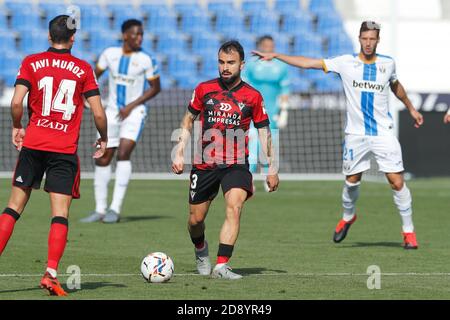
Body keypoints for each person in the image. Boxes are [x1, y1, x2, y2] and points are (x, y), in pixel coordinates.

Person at [253, 21, 423, 249]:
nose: (368, 43)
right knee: (352, 181)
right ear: (360, 38)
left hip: (383, 133)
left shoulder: (388, 64)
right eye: (365, 39)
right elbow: (309, 63)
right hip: (355, 135)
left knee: (396, 181)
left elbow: (396, 86)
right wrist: (276, 55)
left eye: (372, 39)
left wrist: (411, 108)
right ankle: (348, 215)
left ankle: (408, 232)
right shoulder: (346, 62)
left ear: (378, 40)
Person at [0, 15, 108, 296]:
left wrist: (16, 126)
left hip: (34, 144)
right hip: (63, 150)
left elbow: (15, 101)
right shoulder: (83, 68)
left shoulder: (31, 61)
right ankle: (50, 273)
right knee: (59, 214)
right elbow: (98, 112)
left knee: (13, 208)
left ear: (49, 37)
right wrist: (104, 137)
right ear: (73, 39)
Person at [171, 40, 279, 279]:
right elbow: (189, 119)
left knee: (234, 206)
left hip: (236, 163)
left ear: (242, 64)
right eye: (221, 62)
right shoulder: (203, 89)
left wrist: (272, 166)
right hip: (205, 163)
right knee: (195, 220)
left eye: (231, 63)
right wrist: (180, 150)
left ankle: (221, 265)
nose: (225, 67)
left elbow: (264, 130)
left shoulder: (253, 96)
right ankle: (200, 248)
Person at [81, 19, 161, 224]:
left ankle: (114, 209)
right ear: (125, 35)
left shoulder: (146, 59)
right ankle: (99, 209)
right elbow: (92, 76)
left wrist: (132, 106)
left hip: (134, 112)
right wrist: (88, 98)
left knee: (124, 153)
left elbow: (155, 88)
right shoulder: (110, 54)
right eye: (136, 34)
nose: (139, 38)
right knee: (103, 157)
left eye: (142, 34)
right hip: (112, 111)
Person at [242, 35, 290, 188]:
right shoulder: (251, 65)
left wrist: (284, 111)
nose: (269, 49)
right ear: (261, 47)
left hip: (272, 113)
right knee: (252, 145)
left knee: (270, 146)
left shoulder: (281, 66)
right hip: (253, 111)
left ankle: (269, 178)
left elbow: (285, 89)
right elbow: (243, 85)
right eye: (266, 46)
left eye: (272, 46)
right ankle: (248, 178)